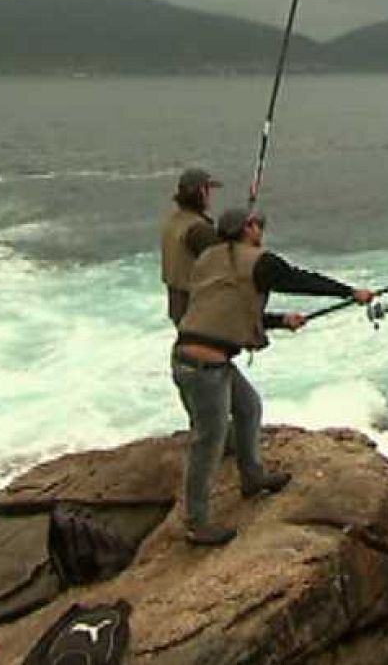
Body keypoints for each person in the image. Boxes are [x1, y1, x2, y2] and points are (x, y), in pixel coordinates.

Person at [171, 207, 375, 545]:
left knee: (249, 407)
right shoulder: (260, 262)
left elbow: (226, 308)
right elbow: (299, 279)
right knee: (208, 443)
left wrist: (280, 321)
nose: (262, 231)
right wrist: (351, 293)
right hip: (205, 368)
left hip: (195, 357)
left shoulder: (208, 259)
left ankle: (252, 477)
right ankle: (196, 523)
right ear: (248, 229)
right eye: (259, 225)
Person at [160, 167, 222, 325]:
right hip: (197, 309)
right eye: (208, 190)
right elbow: (227, 260)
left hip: (177, 307)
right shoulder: (198, 229)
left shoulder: (172, 221)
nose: (210, 196)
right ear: (201, 192)